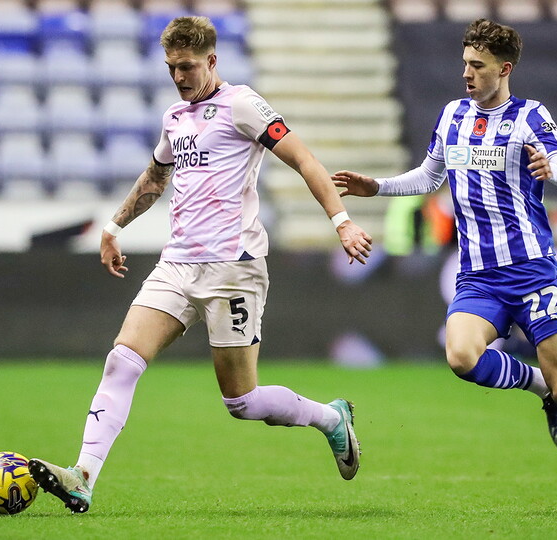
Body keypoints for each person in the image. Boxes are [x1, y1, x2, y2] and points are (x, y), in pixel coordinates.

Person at [28, 16, 373, 514]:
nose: (179, 77)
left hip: (234, 268)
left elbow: (304, 160)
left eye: (187, 66)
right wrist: (114, 226)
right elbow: (154, 177)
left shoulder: (242, 105)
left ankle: (330, 419)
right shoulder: (175, 117)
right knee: (122, 360)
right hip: (177, 264)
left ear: (212, 61)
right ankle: (83, 475)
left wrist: (341, 221)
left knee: (242, 401)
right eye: (171, 67)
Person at [332, 19, 557, 517]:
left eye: (477, 66)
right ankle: (539, 387)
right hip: (478, 275)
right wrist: (378, 187)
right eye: (465, 64)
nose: (467, 74)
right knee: (461, 357)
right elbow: (429, 175)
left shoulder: (530, 117)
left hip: (532, 270)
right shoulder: (452, 114)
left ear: (504, 68)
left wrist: (551, 168)